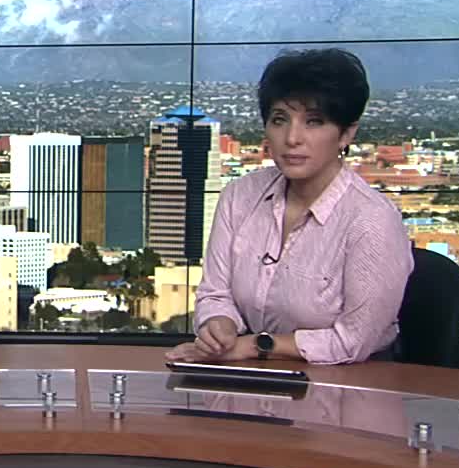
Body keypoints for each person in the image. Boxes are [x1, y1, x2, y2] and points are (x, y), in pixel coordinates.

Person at [167, 48, 413, 365]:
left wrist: (258, 345)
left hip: (352, 381)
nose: (292, 138)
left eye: (314, 121)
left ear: (346, 133)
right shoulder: (240, 196)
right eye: (280, 120)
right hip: (249, 371)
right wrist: (220, 327)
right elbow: (215, 294)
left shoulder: (371, 221)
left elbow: (354, 341)